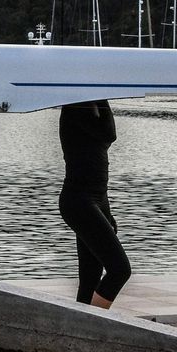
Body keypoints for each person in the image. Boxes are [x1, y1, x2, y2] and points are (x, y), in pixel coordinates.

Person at [58, 99, 131, 308]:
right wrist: (102, 96)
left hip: (99, 198)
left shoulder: (93, 107)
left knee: (90, 277)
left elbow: (106, 134)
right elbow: (110, 133)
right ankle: (96, 324)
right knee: (120, 270)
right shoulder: (73, 107)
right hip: (78, 200)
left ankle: (80, 328)